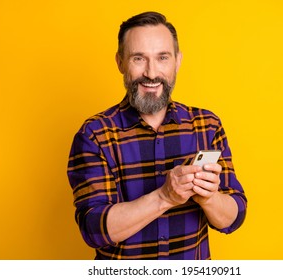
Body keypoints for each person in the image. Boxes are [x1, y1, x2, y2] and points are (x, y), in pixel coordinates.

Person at [67, 11, 247, 260]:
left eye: (162, 57)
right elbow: (93, 230)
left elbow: (234, 217)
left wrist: (209, 198)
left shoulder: (207, 125)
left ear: (177, 61)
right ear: (120, 62)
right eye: (138, 58)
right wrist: (164, 197)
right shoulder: (95, 134)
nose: (151, 73)